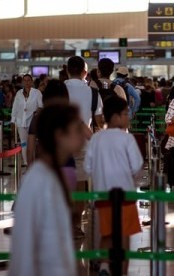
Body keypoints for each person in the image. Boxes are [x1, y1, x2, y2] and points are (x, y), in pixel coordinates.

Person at [9, 103, 86, 276]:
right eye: (76, 129)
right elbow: (25, 249)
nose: (82, 136)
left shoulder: (52, 177)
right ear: (60, 136)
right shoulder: (40, 181)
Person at [85, 96, 143, 275]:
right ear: (116, 117)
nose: (129, 117)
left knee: (107, 232)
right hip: (124, 196)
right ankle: (122, 271)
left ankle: (103, 266)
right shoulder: (127, 139)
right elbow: (137, 166)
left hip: (103, 196)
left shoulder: (96, 139)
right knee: (124, 235)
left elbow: (88, 166)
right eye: (126, 114)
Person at [64, 56, 104, 238]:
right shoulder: (93, 93)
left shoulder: (58, 90)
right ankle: (76, 225)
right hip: (84, 144)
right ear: (85, 73)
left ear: (66, 71)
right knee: (80, 186)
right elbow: (99, 122)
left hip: (61, 145)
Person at [11, 74, 43, 166]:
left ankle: (34, 163)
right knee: (23, 143)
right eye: (24, 80)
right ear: (22, 82)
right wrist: (13, 121)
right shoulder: (19, 93)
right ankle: (26, 163)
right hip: (21, 122)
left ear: (32, 81)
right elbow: (15, 108)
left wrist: (37, 111)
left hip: (32, 122)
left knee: (33, 144)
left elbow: (41, 106)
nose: (27, 82)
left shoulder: (37, 93)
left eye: (28, 80)